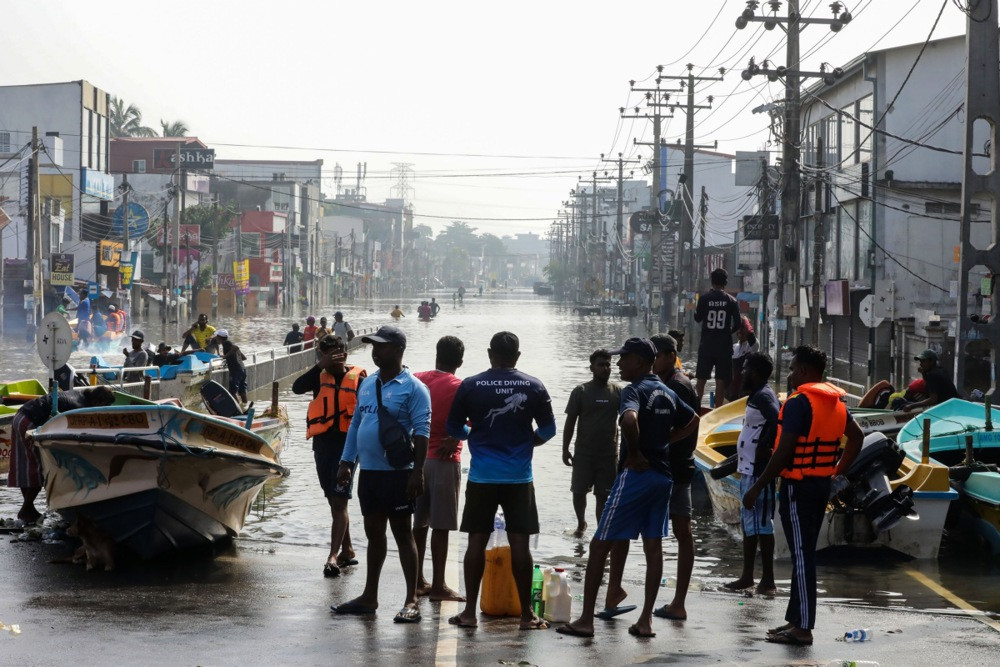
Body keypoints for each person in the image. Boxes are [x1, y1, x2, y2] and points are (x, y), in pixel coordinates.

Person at [558, 338, 698, 639]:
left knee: (599, 545)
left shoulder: (633, 390)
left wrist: (634, 453)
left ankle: (585, 621)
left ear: (639, 361)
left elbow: (630, 420)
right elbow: (694, 419)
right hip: (663, 477)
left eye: (624, 359)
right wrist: (662, 443)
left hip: (635, 477)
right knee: (653, 548)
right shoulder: (666, 390)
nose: (618, 364)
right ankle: (645, 621)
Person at [743, 345, 864, 646]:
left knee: (802, 555)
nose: (792, 374)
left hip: (799, 488)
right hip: (821, 484)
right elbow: (857, 437)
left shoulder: (799, 403)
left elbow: (783, 453)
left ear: (806, 371)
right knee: (803, 552)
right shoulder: (834, 402)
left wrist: (757, 487)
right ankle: (795, 620)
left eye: (795, 369)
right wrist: (836, 470)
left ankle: (804, 628)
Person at [446, 331, 556, 631]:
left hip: (482, 475)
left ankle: (469, 613)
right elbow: (548, 430)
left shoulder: (471, 385)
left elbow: (453, 427)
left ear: (490, 353)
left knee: (476, 541)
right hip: (519, 477)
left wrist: (474, 437)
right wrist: (527, 443)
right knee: (520, 544)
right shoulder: (533, 385)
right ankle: (525, 615)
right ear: (517, 356)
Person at [332, 325, 430, 622]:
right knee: (374, 534)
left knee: (403, 533)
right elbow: (356, 425)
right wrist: (347, 461)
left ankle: (411, 600)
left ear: (399, 350)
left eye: (382, 346)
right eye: (373, 346)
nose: (375, 351)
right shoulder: (367, 383)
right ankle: (370, 596)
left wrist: (417, 472)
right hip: (370, 473)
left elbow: (423, 433)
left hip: (399, 473)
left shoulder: (414, 387)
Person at [294, 335, 367, 578]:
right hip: (323, 445)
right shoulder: (319, 376)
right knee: (332, 497)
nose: (336, 357)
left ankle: (333, 556)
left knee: (339, 499)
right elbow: (296, 388)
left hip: (348, 446)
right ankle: (347, 549)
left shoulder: (360, 378)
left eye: (339, 352)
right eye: (329, 354)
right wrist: (319, 365)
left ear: (345, 354)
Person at [7, 385, 116, 523]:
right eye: (105, 406)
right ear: (99, 402)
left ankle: (29, 509)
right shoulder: (80, 407)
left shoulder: (78, 395)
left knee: (26, 464)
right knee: (40, 466)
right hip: (30, 422)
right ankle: (26, 509)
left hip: (20, 416)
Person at [413, 336, 467, 602]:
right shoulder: (460, 386)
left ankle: (416, 580)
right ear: (460, 361)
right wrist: (457, 437)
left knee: (419, 523)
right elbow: (476, 424)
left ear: (437, 355)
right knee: (441, 527)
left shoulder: (416, 378)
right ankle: (438, 586)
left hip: (416, 461)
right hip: (444, 461)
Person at [650, 333, 700, 621]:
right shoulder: (669, 382)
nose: (653, 361)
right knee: (680, 533)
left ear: (670, 355)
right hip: (678, 466)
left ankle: (677, 602)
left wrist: (663, 443)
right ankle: (675, 602)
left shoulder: (677, 386)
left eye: (656, 356)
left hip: (674, 468)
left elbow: (689, 423)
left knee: (677, 533)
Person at [724, 352, 779, 596]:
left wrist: (763, 447)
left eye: (745, 369)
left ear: (755, 372)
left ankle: (763, 580)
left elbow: (777, 420)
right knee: (751, 525)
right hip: (749, 470)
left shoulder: (765, 396)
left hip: (758, 472)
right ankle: (749, 576)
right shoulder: (757, 396)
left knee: (761, 527)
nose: (742, 373)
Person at [562, 349, 620, 537]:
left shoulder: (618, 391)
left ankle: (601, 532)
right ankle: (581, 524)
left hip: (609, 455)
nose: (605, 368)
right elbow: (570, 422)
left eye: (608, 364)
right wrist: (565, 449)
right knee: (578, 492)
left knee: (603, 496)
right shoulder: (581, 391)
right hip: (584, 453)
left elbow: (628, 422)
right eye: (601, 365)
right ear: (592, 368)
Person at [693, 267, 741, 406]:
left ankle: (695, 409)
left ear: (711, 281)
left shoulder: (704, 299)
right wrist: (726, 332)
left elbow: (697, 318)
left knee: (701, 380)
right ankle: (717, 412)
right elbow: (737, 324)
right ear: (725, 283)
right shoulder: (732, 301)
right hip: (724, 347)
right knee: (721, 381)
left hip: (706, 345)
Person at [729, 316, 760, 401]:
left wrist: (744, 320)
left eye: (743, 329)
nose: (740, 332)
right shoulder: (733, 348)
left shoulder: (753, 346)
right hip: (733, 391)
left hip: (746, 392)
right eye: (739, 329)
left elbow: (751, 336)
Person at [214, 330, 248, 403]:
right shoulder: (229, 345)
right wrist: (230, 359)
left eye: (216, 337)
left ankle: (238, 409)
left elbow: (235, 348)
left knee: (232, 392)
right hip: (242, 368)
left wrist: (225, 356)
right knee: (242, 391)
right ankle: (245, 406)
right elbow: (244, 358)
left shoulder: (226, 343)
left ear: (220, 337)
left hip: (236, 370)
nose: (215, 338)